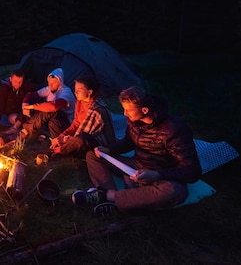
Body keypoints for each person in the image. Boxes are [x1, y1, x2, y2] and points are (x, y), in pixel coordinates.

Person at [72, 86, 201, 216]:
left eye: (128, 110)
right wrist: (109, 149)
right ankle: (109, 194)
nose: (124, 114)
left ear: (144, 110)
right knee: (93, 155)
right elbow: (129, 141)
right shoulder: (134, 120)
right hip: (136, 166)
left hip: (161, 172)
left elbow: (192, 170)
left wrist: (157, 175)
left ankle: (107, 196)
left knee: (175, 191)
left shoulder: (173, 129)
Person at [49, 75, 116, 157]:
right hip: (80, 135)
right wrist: (62, 136)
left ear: (89, 92)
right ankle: (63, 147)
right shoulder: (79, 102)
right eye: (75, 89)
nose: (75, 92)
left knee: (79, 140)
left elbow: (84, 135)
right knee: (54, 123)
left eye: (79, 90)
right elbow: (76, 123)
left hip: (96, 144)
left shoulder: (97, 110)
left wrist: (64, 140)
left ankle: (59, 150)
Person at [3, 67, 75, 141]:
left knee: (48, 108)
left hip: (64, 123)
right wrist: (25, 104)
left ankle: (24, 132)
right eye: (49, 82)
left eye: (54, 83)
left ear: (60, 82)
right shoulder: (49, 89)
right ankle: (16, 127)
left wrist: (32, 107)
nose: (51, 85)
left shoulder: (66, 92)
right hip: (48, 120)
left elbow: (54, 106)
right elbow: (31, 95)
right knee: (34, 101)